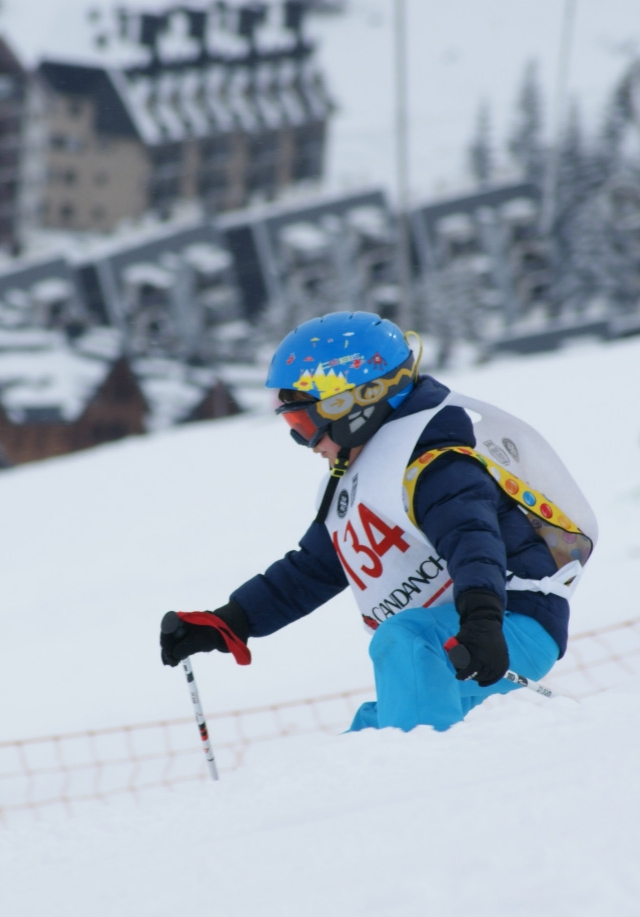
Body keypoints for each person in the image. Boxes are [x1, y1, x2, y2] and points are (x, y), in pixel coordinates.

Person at [160, 311, 597, 732]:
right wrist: (231, 621)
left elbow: (474, 543)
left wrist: (482, 622)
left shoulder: (435, 466)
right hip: (455, 634)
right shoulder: (359, 485)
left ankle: (425, 779)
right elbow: (311, 570)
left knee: (405, 641)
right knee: (375, 732)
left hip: (507, 622)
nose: (301, 440)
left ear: (357, 404)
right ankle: (370, 788)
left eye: (303, 421)